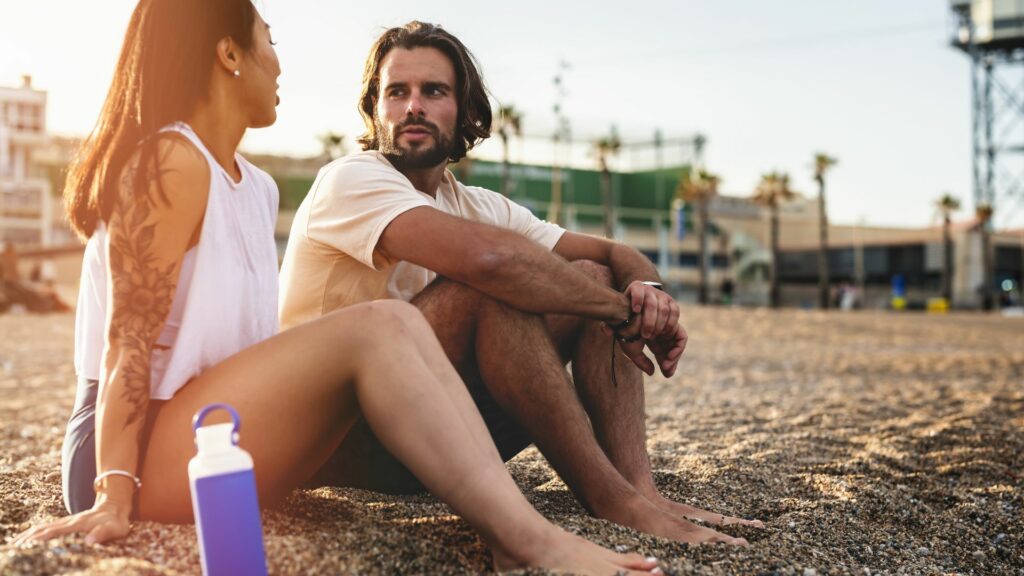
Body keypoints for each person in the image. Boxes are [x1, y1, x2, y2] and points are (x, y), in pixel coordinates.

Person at [12, 2, 661, 573]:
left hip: (222, 433)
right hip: (133, 452)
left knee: (411, 317)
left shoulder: (255, 186)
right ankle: (527, 540)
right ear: (229, 53)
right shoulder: (169, 159)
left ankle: (580, 510)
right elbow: (127, 339)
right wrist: (112, 493)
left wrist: (631, 292)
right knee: (385, 321)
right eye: (269, 40)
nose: (279, 64)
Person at [279, 21, 762, 546]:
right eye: (397, 92)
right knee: (495, 286)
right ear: (375, 108)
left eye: (433, 91)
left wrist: (650, 293)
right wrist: (622, 312)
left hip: (439, 434)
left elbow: (608, 252)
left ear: (463, 111)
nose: (412, 106)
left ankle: (637, 490)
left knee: (592, 276)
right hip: (343, 438)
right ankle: (613, 501)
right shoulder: (351, 179)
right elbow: (489, 262)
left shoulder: (478, 204)